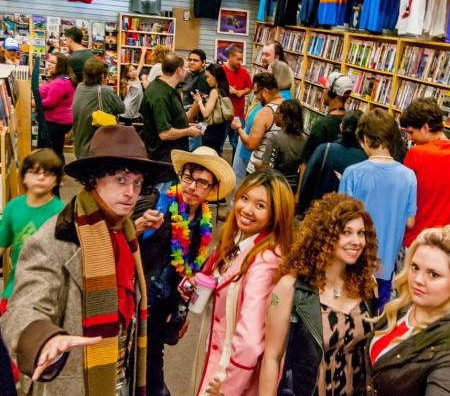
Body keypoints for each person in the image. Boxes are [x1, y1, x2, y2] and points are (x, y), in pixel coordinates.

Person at [0, 124, 171, 396]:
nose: (131, 192)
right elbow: (24, 307)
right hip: (77, 384)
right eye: (121, 180)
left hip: (121, 377)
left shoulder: (123, 232)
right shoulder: (57, 238)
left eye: (137, 182)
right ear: (94, 180)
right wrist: (43, 340)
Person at [135, 146, 235, 396]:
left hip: (163, 306)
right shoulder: (155, 202)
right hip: (138, 300)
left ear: (212, 189)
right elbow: (116, 240)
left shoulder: (203, 222)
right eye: (188, 178)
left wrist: (183, 310)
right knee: (138, 367)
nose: (192, 187)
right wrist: (137, 227)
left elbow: (190, 270)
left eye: (202, 183)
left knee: (151, 361)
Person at [260, 193, 379, 396]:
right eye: (346, 232)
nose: (356, 241)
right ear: (324, 235)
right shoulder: (291, 288)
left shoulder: (367, 286)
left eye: (361, 233)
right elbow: (272, 357)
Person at [194, 170, 295, 396]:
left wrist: (227, 388)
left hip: (228, 374)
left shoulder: (265, 261)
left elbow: (250, 340)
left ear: (276, 214)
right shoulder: (240, 240)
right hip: (217, 358)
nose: (247, 209)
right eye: (245, 198)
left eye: (260, 205)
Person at [340, 109, 417, 309]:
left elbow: (340, 219)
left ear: (365, 139)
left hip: (353, 259)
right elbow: (410, 222)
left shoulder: (352, 173)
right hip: (386, 265)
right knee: (377, 313)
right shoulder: (409, 176)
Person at [369, 225, 450, 395]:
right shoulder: (401, 308)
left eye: (433, 274)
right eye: (415, 267)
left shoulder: (445, 345)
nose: (418, 280)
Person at [0, 148, 64, 313]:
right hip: (15, 287)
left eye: (48, 173)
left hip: (48, 292)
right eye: (34, 172)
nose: (41, 177)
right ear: (24, 177)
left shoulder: (62, 213)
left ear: (56, 181)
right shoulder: (13, 207)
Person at [140, 53, 203, 192]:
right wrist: (188, 131)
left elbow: (167, 120)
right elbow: (164, 133)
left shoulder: (164, 88)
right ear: (179, 70)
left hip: (170, 161)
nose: (187, 70)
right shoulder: (160, 95)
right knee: (161, 200)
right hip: (163, 163)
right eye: (185, 67)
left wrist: (186, 125)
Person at [399, 98, 450, 248]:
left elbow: (402, 199)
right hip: (444, 243)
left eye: (411, 132)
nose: (409, 138)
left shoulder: (416, 154)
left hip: (415, 240)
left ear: (425, 127)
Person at [298, 110, 367, 216]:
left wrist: (303, 211)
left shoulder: (324, 150)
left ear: (341, 127)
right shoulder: (365, 160)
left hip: (319, 216)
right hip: (347, 218)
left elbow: (307, 185)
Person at [72, 57, 124, 158]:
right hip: (95, 150)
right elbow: (121, 108)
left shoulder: (79, 87)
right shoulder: (104, 91)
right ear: (102, 75)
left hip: (79, 147)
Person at [231, 73, 283, 174]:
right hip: (276, 170)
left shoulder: (265, 112)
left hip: (258, 170)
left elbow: (251, 145)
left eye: (256, 93)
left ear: (265, 91)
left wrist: (238, 128)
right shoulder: (287, 105)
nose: (256, 97)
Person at [260, 99, 306, 191]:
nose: (275, 116)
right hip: (293, 187)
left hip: (276, 186)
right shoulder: (304, 139)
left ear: (283, 116)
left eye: (276, 113)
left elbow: (266, 168)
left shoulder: (275, 138)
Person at [39, 52, 76, 162]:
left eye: (52, 62)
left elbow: (50, 102)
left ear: (60, 66)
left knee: (51, 151)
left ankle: (54, 168)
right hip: (61, 121)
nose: (49, 64)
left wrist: (36, 102)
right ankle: (58, 168)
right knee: (57, 149)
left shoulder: (60, 82)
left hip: (56, 122)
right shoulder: (64, 79)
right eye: (49, 61)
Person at [222, 46, 252, 160]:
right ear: (230, 57)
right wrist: (226, 90)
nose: (240, 62)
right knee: (219, 144)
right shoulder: (221, 71)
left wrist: (239, 92)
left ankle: (235, 168)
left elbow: (249, 87)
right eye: (238, 59)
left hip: (238, 115)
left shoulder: (243, 71)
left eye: (241, 59)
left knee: (237, 146)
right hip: (223, 115)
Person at [193, 64, 229, 155]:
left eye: (208, 77)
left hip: (212, 131)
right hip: (221, 129)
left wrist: (199, 101)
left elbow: (206, 114)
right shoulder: (224, 90)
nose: (207, 80)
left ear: (215, 76)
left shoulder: (214, 91)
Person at [119, 46, 147, 124]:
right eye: (130, 71)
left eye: (134, 69)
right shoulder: (127, 82)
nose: (133, 72)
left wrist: (143, 52)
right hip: (127, 111)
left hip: (134, 111)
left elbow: (141, 64)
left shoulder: (136, 77)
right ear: (127, 74)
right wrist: (127, 86)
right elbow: (124, 95)